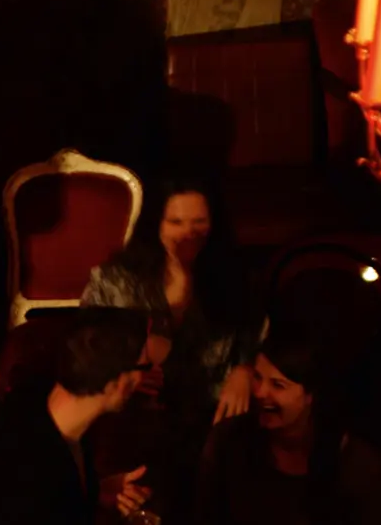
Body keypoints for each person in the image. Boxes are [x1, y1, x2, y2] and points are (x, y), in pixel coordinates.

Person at [79, 177, 256, 519]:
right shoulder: (117, 280)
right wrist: (124, 372)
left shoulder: (233, 279)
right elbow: (87, 347)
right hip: (134, 412)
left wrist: (245, 368)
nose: (188, 233)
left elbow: (257, 335)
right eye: (176, 222)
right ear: (156, 224)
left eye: (199, 222)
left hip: (207, 408)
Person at [0, 307, 154, 525]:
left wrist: (95, 491)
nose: (144, 377)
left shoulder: (35, 396)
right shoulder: (35, 481)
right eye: (145, 366)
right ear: (117, 379)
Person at [196, 328, 381, 524]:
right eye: (257, 377)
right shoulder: (229, 439)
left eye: (278, 385)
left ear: (310, 396)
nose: (260, 392)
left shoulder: (356, 467)